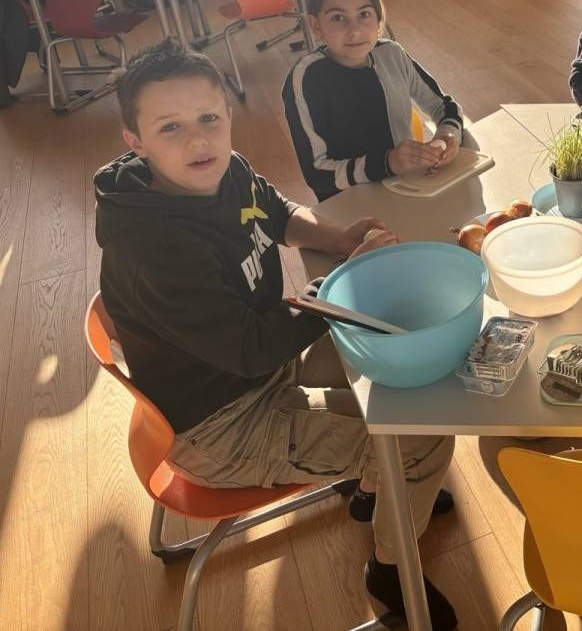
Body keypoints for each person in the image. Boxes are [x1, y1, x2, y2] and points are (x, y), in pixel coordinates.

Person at [95, 39, 458, 628]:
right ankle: (391, 568)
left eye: (209, 118)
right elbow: (252, 348)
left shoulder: (226, 171)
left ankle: (377, 487)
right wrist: (333, 283)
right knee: (425, 438)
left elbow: (277, 211)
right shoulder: (156, 249)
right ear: (134, 141)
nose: (198, 140)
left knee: (384, 354)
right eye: (170, 128)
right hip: (224, 428)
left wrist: (338, 238)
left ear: (228, 113)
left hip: (255, 373)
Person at [283, 0, 464, 202]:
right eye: (337, 18)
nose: (355, 30)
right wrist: (387, 162)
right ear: (316, 26)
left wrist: (447, 136)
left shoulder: (392, 54)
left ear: (379, 18)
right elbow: (318, 174)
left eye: (364, 14)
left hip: (410, 189)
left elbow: (445, 107)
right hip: (350, 206)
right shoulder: (306, 78)